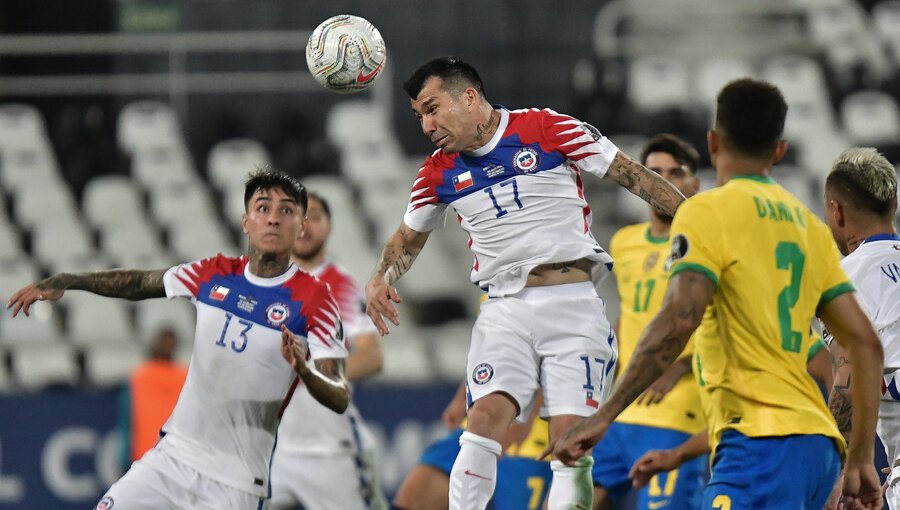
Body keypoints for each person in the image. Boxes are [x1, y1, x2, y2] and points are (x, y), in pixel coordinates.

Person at [364, 56, 685, 510]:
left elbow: (632, 176)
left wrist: (697, 220)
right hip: (504, 310)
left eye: (433, 108)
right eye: (420, 115)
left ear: (469, 97)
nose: (427, 125)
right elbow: (407, 239)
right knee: (481, 427)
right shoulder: (437, 173)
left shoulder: (547, 128)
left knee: (571, 446)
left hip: (572, 304)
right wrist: (380, 277)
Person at [553, 78, 885, 509]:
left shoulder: (704, 214)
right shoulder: (810, 229)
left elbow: (679, 320)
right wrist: (859, 457)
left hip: (757, 445)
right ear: (779, 149)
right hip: (817, 448)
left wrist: (603, 415)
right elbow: (864, 343)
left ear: (712, 142)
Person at [7, 170, 351, 509]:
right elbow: (140, 283)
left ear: (301, 227)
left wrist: (304, 371)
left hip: (236, 482)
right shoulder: (215, 272)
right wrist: (70, 279)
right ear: (246, 222)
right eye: (263, 208)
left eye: (287, 210)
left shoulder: (315, 300)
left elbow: (338, 395)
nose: (273, 219)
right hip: (171, 459)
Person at [590, 134, 706, 510]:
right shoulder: (624, 241)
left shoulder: (705, 243)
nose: (665, 181)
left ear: (695, 184)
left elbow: (724, 321)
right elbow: (629, 313)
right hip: (625, 408)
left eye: (676, 172)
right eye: (654, 172)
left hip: (677, 409)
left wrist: (681, 366)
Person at [269, 192, 387, 510]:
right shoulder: (265, 285)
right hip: (276, 450)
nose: (306, 225)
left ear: (330, 226)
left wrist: (314, 376)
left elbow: (371, 356)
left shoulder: (340, 285)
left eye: (316, 216)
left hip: (332, 451)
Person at [627, 334, 834, 490]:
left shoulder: (765, 319)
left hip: (774, 472)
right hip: (733, 471)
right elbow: (731, 421)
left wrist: (840, 462)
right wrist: (676, 454)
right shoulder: (705, 342)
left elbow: (835, 373)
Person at [820, 147, 900, 508]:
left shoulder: (844, 279)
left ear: (836, 211)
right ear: (894, 203)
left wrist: (838, 475)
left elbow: (847, 386)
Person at [393, 382, 553, 510]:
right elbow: (491, 346)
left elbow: (549, 347)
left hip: (533, 434)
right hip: (482, 417)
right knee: (414, 499)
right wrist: (462, 395)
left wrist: (527, 412)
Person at [120, 327, 188, 469]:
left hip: (175, 457)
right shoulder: (139, 376)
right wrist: (122, 456)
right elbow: (126, 420)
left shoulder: (184, 376)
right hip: (145, 456)